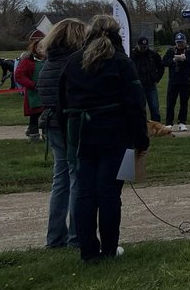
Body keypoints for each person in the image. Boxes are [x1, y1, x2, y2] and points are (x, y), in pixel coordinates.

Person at [58, 14, 149, 263]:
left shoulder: (74, 62)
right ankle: (108, 250)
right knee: (109, 193)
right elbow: (135, 104)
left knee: (85, 193)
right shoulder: (121, 62)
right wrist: (141, 139)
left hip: (81, 136)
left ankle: (88, 252)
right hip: (114, 134)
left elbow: (61, 101)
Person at [36, 18, 86, 249]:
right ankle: (77, 236)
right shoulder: (73, 63)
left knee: (61, 180)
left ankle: (55, 237)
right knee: (77, 178)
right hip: (70, 123)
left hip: (52, 123)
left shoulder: (49, 63)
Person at [162, 33, 190, 131]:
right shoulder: (171, 51)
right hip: (173, 81)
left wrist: (185, 59)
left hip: (185, 81)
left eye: (181, 42)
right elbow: (163, 62)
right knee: (170, 102)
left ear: (185, 42)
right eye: (178, 42)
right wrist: (173, 60)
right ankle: (169, 122)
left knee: (184, 102)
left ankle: (182, 122)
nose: (180, 44)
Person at [15, 36, 46, 142]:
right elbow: (19, 75)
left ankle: (47, 135)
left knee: (47, 115)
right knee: (34, 115)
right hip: (33, 93)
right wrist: (32, 85)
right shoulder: (28, 61)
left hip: (47, 92)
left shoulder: (49, 60)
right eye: (39, 48)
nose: (41, 50)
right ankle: (34, 135)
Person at [131, 37, 165, 122]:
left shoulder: (153, 55)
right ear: (137, 45)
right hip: (138, 86)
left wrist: (157, 78)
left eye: (145, 47)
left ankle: (157, 127)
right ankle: (142, 127)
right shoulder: (132, 56)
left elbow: (161, 67)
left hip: (151, 85)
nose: (143, 49)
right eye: (142, 47)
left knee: (154, 107)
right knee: (140, 108)